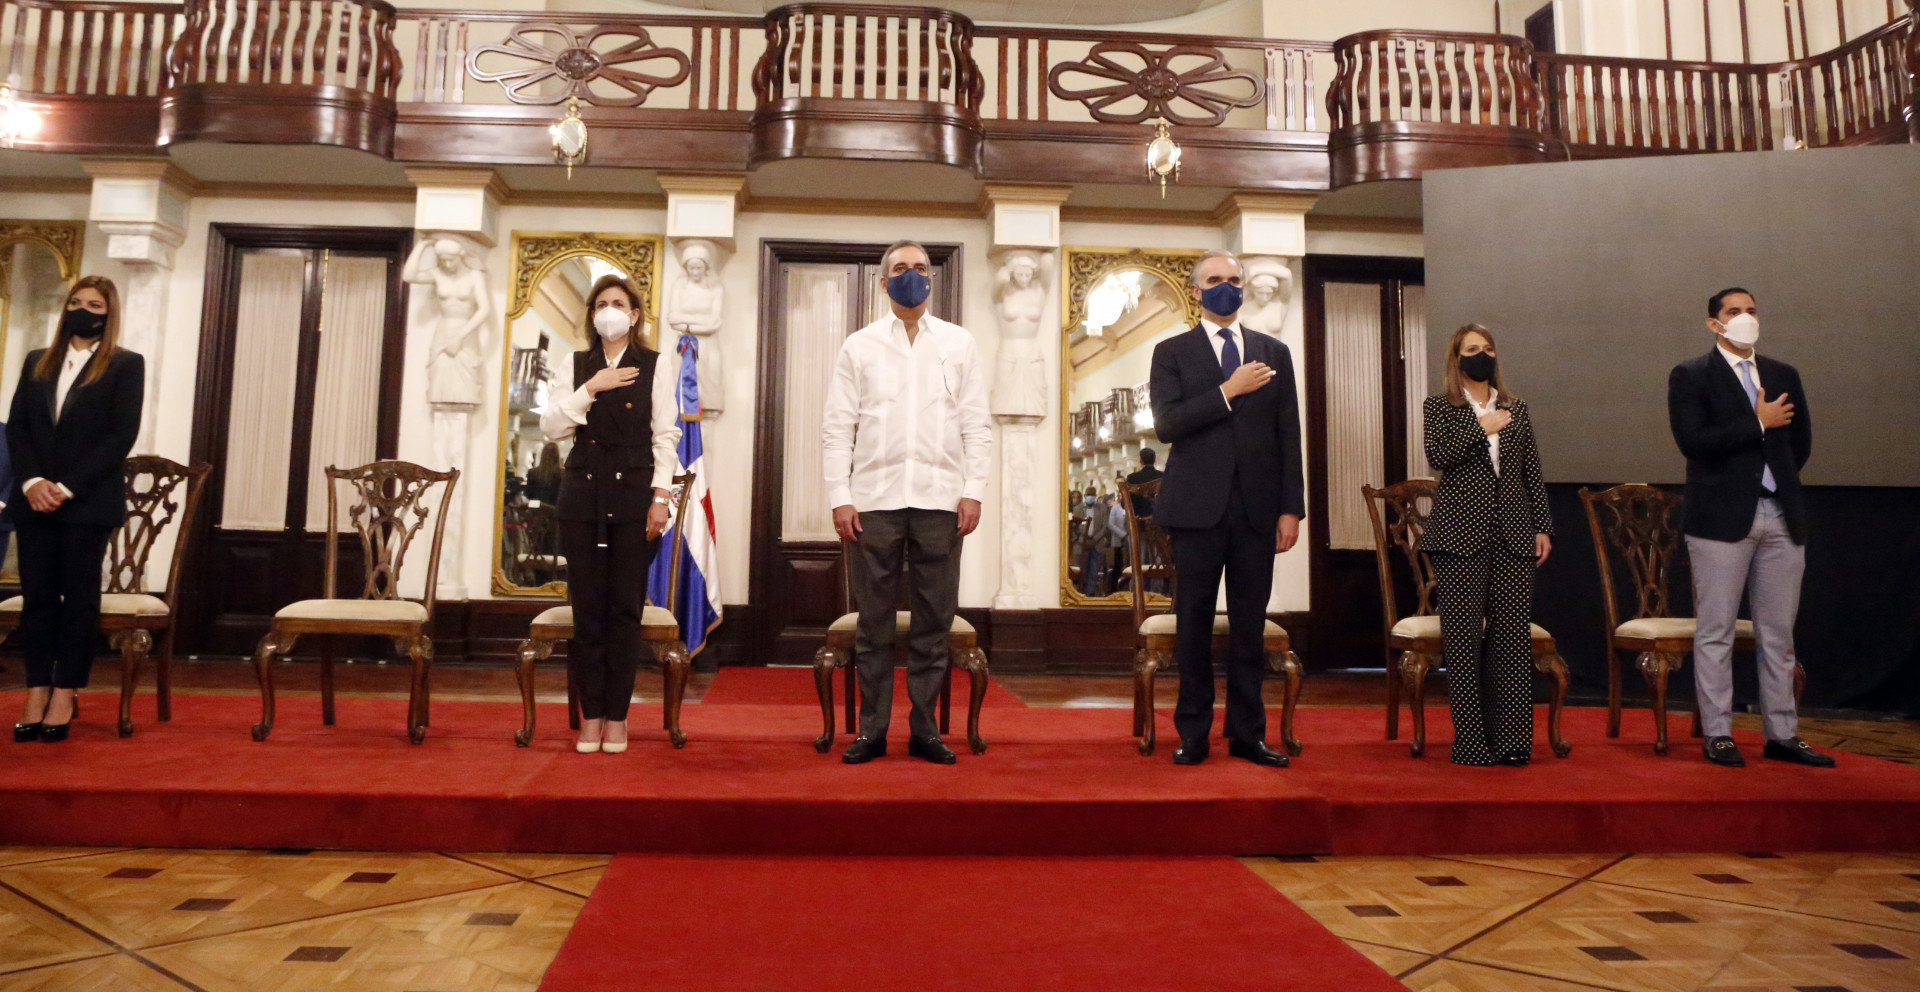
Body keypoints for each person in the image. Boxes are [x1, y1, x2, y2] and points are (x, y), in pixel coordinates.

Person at [823, 239, 992, 765]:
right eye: (900, 268)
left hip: (942, 501)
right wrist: (840, 496)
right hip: (873, 500)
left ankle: (925, 731)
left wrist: (974, 489)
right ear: (883, 281)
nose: (911, 275)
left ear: (932, 279)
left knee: (933, 624)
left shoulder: (959, 343)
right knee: (872, 625)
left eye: (920, 267)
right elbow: (837, 428)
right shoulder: (860, 346)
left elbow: (976, 424)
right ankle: (871, 731)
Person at [1147, 249, 1304, 768]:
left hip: (1258, 510)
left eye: (1235, 279)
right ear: (1196, 291)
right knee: (1192, 624)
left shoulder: (1274, 352)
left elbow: (1288, 433)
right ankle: (1193, 733)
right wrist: (1227, 391)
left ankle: (1247, 734)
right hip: (1196, 510)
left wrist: (1291, 508)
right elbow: (1168, 424)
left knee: (1249, 627)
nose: (1227, 287)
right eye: (1215, 279)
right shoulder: (1172, 352)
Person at [1668, 288, 1831, 768]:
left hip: (1780, 513)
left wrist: (1775, 469)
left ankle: (1782, 733)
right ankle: (1718, 733)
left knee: (1778, 634)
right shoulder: (1691, 375)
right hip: (1720, 520)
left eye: (1752, 310)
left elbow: (1799, 444)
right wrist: (1758, 424)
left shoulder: (1783, 374)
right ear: (1714, 323)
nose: (1746, 318)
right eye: (1734, 311)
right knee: (1716, 631)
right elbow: (1693, 441)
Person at [539, 275, 681, 755]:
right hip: (582, 495)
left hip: (635, 495)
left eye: (618, 303)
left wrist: (661, 498)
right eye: (600, 304)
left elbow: (666, 435)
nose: (609, 311)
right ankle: (591, 716)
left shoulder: (656, 364)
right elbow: (551, 427)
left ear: (635, 314)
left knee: (623, 611)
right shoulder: (576, 364)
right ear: (591, 314)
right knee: (588, 612)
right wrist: (590, 388)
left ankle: (617, 718)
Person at [9, 276, 144, 744]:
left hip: (86, 503)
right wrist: (32, 482)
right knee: (38, 600)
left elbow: (120, 435)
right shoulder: (37, 361)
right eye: (76, 302)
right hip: (34, 502)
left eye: (94, 305)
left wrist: (65, 487)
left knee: (79, 602)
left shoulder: (125, 364)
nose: (83, 310)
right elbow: (18, 428)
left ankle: (65, 692)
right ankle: (36, 690)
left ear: (109, 314)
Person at [1420, 324, 1553, 767]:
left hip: (1513, 536)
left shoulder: (1516, 407)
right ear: (1456, 358)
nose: (1483, 355)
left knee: (1511, 641)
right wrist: (1481, 428)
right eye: (1473, 348)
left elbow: (1531, 471)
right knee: (1462, 642)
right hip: (1459, 537)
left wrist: (1542, 527)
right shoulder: (1439, 406)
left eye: (1489, 348)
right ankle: (1471, 743)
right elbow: (1438, 456)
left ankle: (1512, 743)